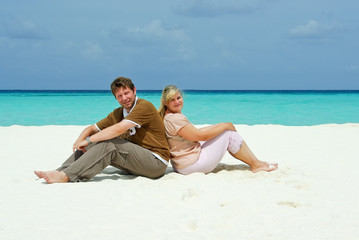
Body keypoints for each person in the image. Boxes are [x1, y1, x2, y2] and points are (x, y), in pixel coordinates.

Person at [35, 77, 170, 183]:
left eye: (126, 93)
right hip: (136, 162)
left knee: (108, 143)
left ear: (134, 90)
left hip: (156, 163)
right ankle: (61, 170)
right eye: (119, 96)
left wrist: (88, 140)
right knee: (95, 141)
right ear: (116, 98)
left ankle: (66, 176)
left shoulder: (144, 106)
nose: (124, 98)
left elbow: (118, 129)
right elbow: (92, 128)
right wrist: (80, 140)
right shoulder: (118, 113)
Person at [158, 85, 278, 175]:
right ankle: (256, 165)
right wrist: (225, 126)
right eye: (172, 100)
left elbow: (195, 131)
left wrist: (221, 125)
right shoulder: (174, 119)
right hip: (191, 166)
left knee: (223, 129)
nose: (177, 102)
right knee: (228, 134)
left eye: (178, 97)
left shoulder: (169, 116)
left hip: (182, 164)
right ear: (165, 102)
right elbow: (201, 136)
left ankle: (256, 162)